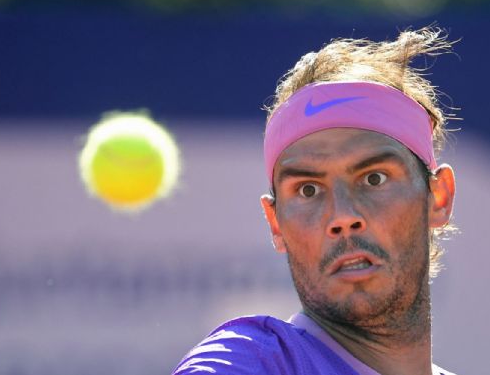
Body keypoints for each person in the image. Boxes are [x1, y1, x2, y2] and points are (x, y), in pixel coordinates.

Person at [173, 27, 459, 375]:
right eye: (308, 190)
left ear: (438, 197)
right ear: (276, 223)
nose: (342, 216)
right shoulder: (252, 361)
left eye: (374, 179)